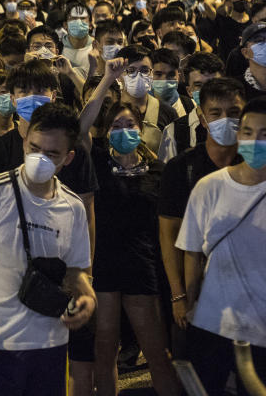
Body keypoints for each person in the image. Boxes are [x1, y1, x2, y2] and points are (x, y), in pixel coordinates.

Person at [0, 102, 96, 396]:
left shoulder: (74, 207)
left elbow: (76, 269)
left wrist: (87, 296)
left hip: (50, 346)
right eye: (35, 148)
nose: (40, 158)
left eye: (52, 154)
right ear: (24, 141)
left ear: (69, 157)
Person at [178, 97, 266, 395]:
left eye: (265, 134)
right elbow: (191, 253)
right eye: (247, 132)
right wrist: (189, 305)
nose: (254, 140)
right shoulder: (209, 187)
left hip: (263, 327)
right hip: (209, 324)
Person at [77, 60, 180, 395]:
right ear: (106, 132)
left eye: (130, 124)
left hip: (142, 267)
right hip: (104, 267)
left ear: (140, 128)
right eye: (116, 125)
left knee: (157, 353)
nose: (124, 131)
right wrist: (108, 79)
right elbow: (79, 132)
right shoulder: (96, 167)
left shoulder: (158, 171)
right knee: (104, 352)